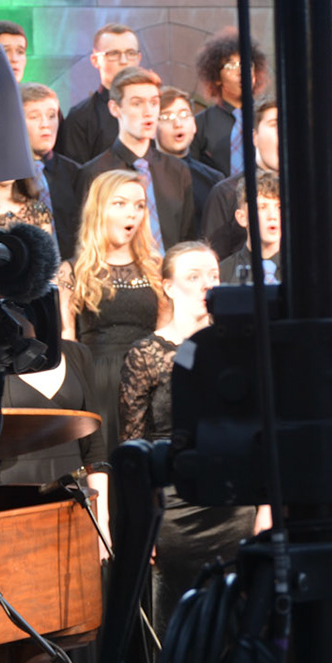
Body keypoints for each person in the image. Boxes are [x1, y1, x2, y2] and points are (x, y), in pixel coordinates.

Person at [119, 242, 261, 641]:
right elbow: (132, 446)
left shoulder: (239, 350)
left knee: (238, 632)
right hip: (174, 510)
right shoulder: (145, 355)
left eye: (213, 276)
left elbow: (259, 436)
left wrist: (264, 507)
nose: (206, 285)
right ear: (167, 287)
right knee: (179, 634)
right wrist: (142, 522)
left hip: (234, 505)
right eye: (193, 277)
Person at [58, 168, 164, 461]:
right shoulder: (73, 270)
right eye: (120, 203)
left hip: (149, 380)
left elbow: (168, 331)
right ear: (99, 209)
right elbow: (66, 338)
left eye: (139, 205)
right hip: (98, 382)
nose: (132, 213)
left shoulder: (156, 268)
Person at [69, 67, 201, 258]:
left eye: (154, 103)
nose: (148, 112)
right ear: (115, 108)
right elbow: (85, 242)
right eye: (137, 104)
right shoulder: (95, 172)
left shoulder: (177, 170)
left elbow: (186, 237)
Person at [201, 96, 281, 257]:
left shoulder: (309, 191)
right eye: (276, 124)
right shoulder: (226, 193)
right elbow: (213, 262)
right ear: (255, 137)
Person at [58, 22, 143, 164]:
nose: (123, 61)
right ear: (95, 60)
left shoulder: (157, 109)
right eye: (114, 54)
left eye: (130, 53)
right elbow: (74, 175)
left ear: (138, 58)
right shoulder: (80, 117)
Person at [193, 29, 268, 177]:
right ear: (216, 78)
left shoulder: (266, 120)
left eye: (246, 64)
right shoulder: (200, 124)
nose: (241, 71)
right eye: (231, 66)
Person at [24, 83, 80, 256]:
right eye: (34, 117)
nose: (45, 124)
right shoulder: (7, 178)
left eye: (51, 116)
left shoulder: (76, 174)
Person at [220, 170, 283, 286]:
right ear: (242, 218)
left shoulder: (302, 270)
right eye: (262, 207)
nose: (272, 216)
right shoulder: (223, 273)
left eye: (279, 207)